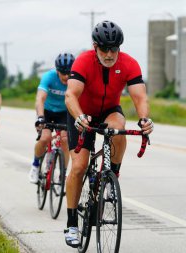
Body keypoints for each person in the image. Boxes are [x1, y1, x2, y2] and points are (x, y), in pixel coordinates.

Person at [63, 20, 154, 247]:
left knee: (119, 129)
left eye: (114, 49)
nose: (109, 54)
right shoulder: (83, 61)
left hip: (109, 111)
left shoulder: (129, 64)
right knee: (78, 166)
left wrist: (144, 119)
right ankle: (72, 223)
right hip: (81, 113)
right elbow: (71, 95)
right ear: (95, 46)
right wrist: (80, 117)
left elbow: (140, 97)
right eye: (104, 48)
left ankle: (111, 176)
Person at [28, 53, 75, 184]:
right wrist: (40, 117)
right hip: (47, 111)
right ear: (57, 71)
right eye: (63, 73)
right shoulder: (49, 77)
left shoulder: (74, 80)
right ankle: (35, 165)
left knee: (65, 140)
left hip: (64, 112)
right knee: (45, 138)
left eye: (69, 73)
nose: (66, 76)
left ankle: (62, 174)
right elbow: (40, 99)